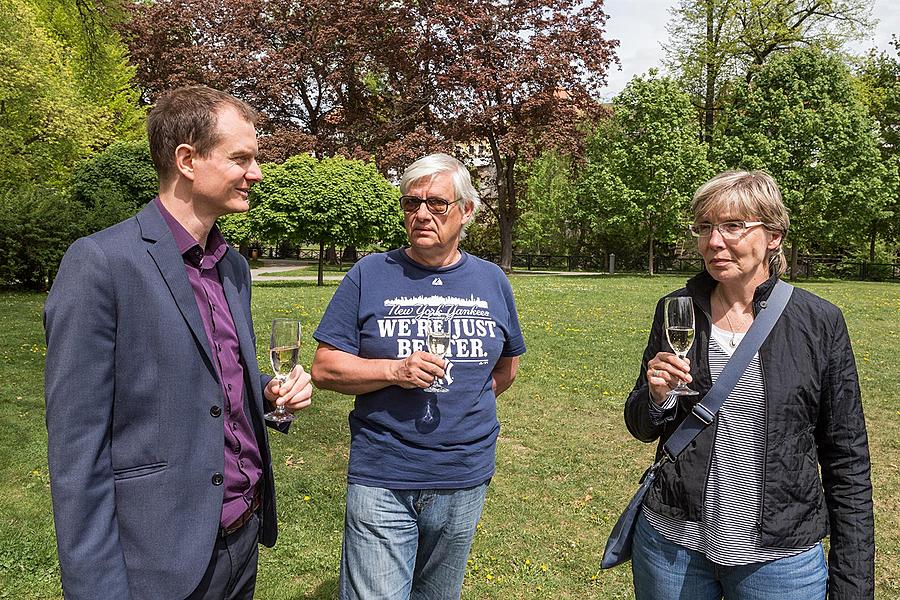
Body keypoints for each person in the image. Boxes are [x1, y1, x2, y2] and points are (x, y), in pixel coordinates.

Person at [44, 86, 313, 600]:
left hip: (242, 539)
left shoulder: (232, 266)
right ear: (187, 159)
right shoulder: (101, 263)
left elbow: (213, 379)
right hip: (159, 557)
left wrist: (268, 396)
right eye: (241, 158)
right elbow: (77, 451)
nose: (256, 173)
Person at [623, 170, 874, 600]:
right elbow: (642, 423)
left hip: (779, 557)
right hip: (673, 547)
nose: (714, 241)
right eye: (704, 227)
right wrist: (657, 397)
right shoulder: (677, 310)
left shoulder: (819, 323)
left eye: (733, 226)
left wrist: (853, 584)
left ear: (773, 236)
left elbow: (847, 458)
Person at [311, 152, 526, 599]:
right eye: (412, 203)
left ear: (466, 211)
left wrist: (464, 401)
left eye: (437, 203)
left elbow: (505, 367)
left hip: (463, 474)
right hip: (383, 472)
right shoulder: (369, 273)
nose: (422, 214)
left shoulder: (491, 280)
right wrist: (394, 370)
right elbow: (325, 367)